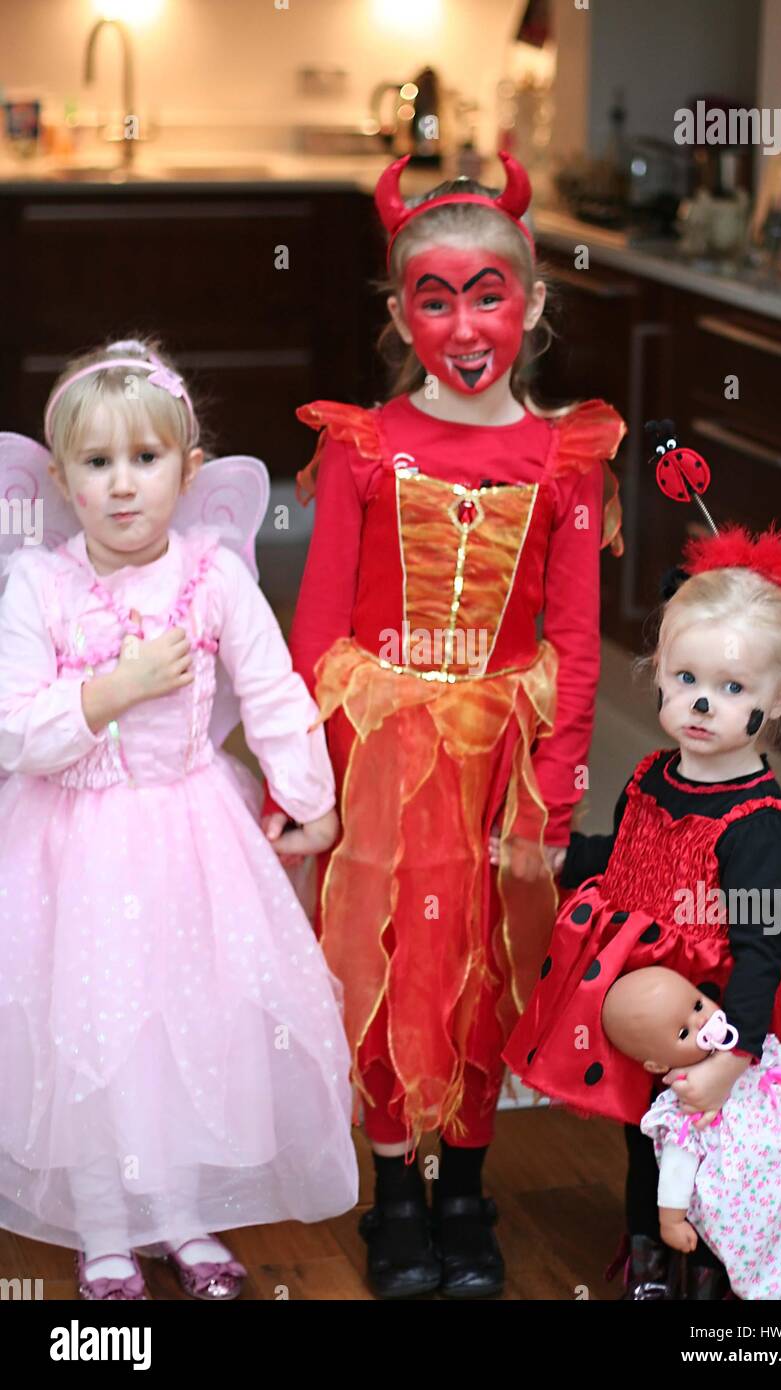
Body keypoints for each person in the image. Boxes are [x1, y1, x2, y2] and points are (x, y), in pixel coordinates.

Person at [260, 151, 626, 1298]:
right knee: (382, 963)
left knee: (483, 973)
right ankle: (394, 1197)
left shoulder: (565, 457)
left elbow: (571, 644)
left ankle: (463, 1189)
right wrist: (303, 793)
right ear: (398, 312)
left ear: (533, 302)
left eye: (488, 294)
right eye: (435, 297)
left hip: (501, 769)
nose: (464, 325)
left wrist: (554, 796)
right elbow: (314, 638)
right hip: (378, 759)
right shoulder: (363, 446)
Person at [0, 338, 358, 1301]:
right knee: (96, 1033)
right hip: (70, 848)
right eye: (97, 463)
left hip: (193, 836)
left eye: (146, 460)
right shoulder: (39, 587)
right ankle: (106, 1227)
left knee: (193, 1023)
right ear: (63, 479)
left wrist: (313, 805)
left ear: (187, 472)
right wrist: (111, 690)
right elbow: (11, 730)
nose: (123, 486)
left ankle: (181, 1210)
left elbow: (277, 693)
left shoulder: (214, 579)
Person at [504, 478, 781, 1300]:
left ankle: (713, 1270)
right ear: (659, 674)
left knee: (721, 1147)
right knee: (648, 1132)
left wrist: (733, 1059)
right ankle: (649, 1256)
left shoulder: (760, 827)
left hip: (719, 1010)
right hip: (644, 998)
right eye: (686, 678)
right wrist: (558, 854)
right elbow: (628, 852)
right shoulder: (650, 774)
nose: (703, 702)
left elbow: (762, 948)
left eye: (734, 689)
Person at [603, 967, 781, 1300]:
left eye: (698, 1006)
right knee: (765, 1242)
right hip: (750, 1193)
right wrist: (671, 1219)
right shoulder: (683, 1112)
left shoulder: (742, 1050)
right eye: (683, 1032)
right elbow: (676, 1167)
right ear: (656, 1065)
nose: (700, 1023)